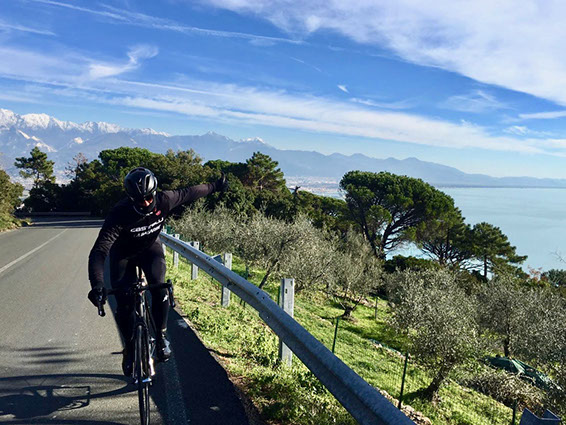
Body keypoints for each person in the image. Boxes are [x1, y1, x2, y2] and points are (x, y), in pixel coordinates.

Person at [87, 167, 228, 376]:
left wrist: (216, 186)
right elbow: (99, 251)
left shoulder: (165, 200)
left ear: (155, 193)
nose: (145, 203)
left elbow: (190, 192)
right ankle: (129, 348)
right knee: (124, 304)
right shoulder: (119, 214)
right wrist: (97, 284)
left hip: (150, 250)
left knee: (160, 289)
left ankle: (161, 337)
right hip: (123, 256)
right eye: (139, 200)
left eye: (148, 198)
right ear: (130, 198)